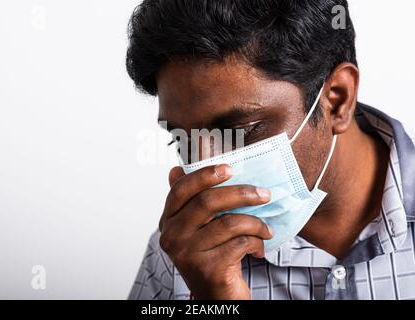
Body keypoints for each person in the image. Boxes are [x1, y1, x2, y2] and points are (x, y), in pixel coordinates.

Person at [126, 0, 415, 300]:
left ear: (337, 100)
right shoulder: (181, 258)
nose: (208, 170)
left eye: (238, 132)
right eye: (182, 140)